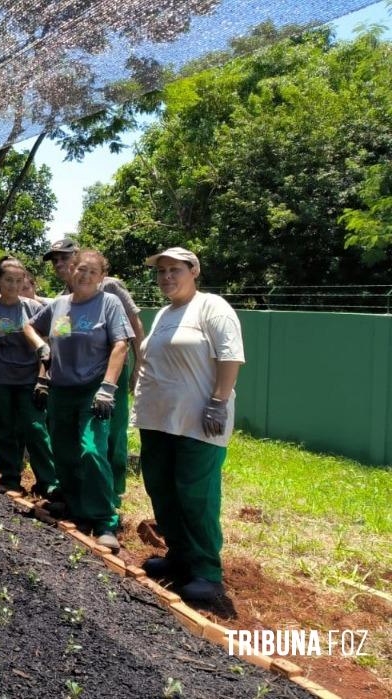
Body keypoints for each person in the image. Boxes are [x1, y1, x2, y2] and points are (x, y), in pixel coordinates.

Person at [134, 248, 244, 602]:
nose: (166, 276)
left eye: (174, 270)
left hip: (198, 423)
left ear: (193, 270)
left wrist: (218, 401)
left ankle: (207, 573)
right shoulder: (165, 313)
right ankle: (179, 557)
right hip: (158, 421)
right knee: (163, 491)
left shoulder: (212, 307)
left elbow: (230, 355)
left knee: (196, 496)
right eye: (161, 271)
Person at [24, 250, 133, 552]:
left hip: (92, 389)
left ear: (101, 277)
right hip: (60, 389)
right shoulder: (60, 305)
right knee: (64, 450)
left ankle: (104, 520)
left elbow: (121, 345)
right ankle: (74, 505)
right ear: (71, 271)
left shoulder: (108, 303)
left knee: (92, 450)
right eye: (81, 270)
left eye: (92, 272)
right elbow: (32, 328)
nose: (85, 276)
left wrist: (108, 387)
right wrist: (41, 350)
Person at [44, 238, 144, 503]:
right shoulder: (63, 298)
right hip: (72, 380)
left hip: (110, 371)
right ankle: (79, 490)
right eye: (55, 261)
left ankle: (112, 491)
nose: (59, 264)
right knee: (76, 438)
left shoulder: (109, 288)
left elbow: (133, 326)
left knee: (110, 432)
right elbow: (63, 338)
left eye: (64, 258)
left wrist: (139, 367)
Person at [0, 257, 58, 497]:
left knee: (36, 429)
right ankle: (10, 477)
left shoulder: (35, 309)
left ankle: (48, 482)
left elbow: (47, 346)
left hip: (29, 381)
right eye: (9, 280)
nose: (14, 285)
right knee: (2, 430)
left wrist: (43, 378)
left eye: (19, 281)